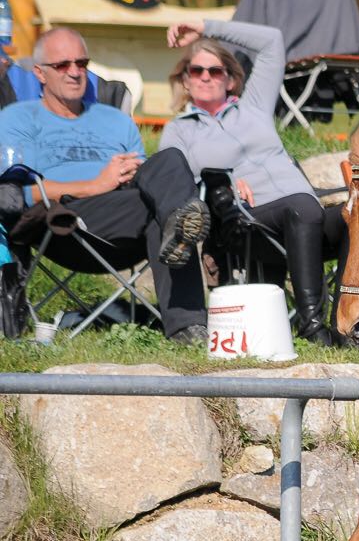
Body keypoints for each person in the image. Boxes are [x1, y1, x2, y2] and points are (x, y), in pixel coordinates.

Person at [0, 27, 210, 343]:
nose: (75, 72)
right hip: (66, 224)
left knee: (169, 161)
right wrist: (95, 184)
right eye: (63, 65)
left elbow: (142, 175)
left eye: (82, 64)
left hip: (128, 214)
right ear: (40, 74)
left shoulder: (115, 120)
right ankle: (186, 319)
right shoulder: (17, 119)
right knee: (164, 210)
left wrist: (127, 177)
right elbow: (14, 197)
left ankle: (187, 327)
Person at [158, 19, 340, 344]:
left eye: (215, 71)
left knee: (357, 219)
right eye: (197, 71)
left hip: (305, 217)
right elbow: (172, 182)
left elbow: (273, 40)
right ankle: (313, 329)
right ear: (185, 81)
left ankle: (349, 323)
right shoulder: (178, 130)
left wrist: (205, 27)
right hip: (248, 225)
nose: (205, 77)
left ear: (229, 79)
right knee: (302, 206)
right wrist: (222, 182)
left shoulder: (254, 106)